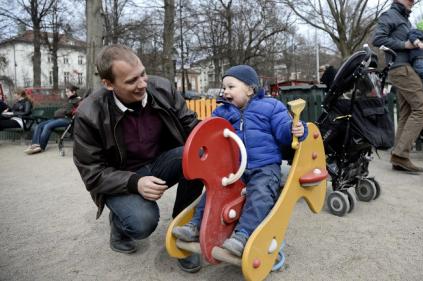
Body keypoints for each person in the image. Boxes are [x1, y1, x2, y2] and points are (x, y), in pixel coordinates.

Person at [72, 44, 204, 273]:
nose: (143, 84)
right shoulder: (89, 114)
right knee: (142, 223)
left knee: (196, 155)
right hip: (122, 177)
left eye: (143, 74)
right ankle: (120, 227)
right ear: (108, 84)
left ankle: (182, 230)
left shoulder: (162, 89)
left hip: (161, 162)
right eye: (132, 81)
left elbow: (192, 127)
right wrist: (135, 182)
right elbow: (91, 173)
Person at [172, 65, 307, 257]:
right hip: (234, 169)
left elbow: (284, 132)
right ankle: (195, 225)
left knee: (261, 194)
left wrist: (296, 129)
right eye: (224, 87)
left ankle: (242, 235)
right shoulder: (223, 112)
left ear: (250, 89)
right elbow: (210, 135)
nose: (225, 91)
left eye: (231, 86)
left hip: (264, 166)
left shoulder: (271, 107)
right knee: (215, 191)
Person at [372, 0, 423, 173]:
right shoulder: (390, 15)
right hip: (400, 68)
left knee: (407, 112)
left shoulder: (404, 19)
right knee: (422, 108)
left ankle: (399, 159)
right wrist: (404, 45)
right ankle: (400, 155)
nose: (413, 2)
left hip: (406, 68)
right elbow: (378, 38)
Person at [24, 85, 82, 154]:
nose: (66, 93)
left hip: (67, 120)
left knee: (47, 126)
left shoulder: (78, 100)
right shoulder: (70, 100)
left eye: (68, 92)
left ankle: (41, 147)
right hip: (58, 118)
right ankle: (35, 145)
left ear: (74, 92)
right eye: (66, 92)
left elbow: (73, 111)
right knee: (39, 125)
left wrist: (65, 111)